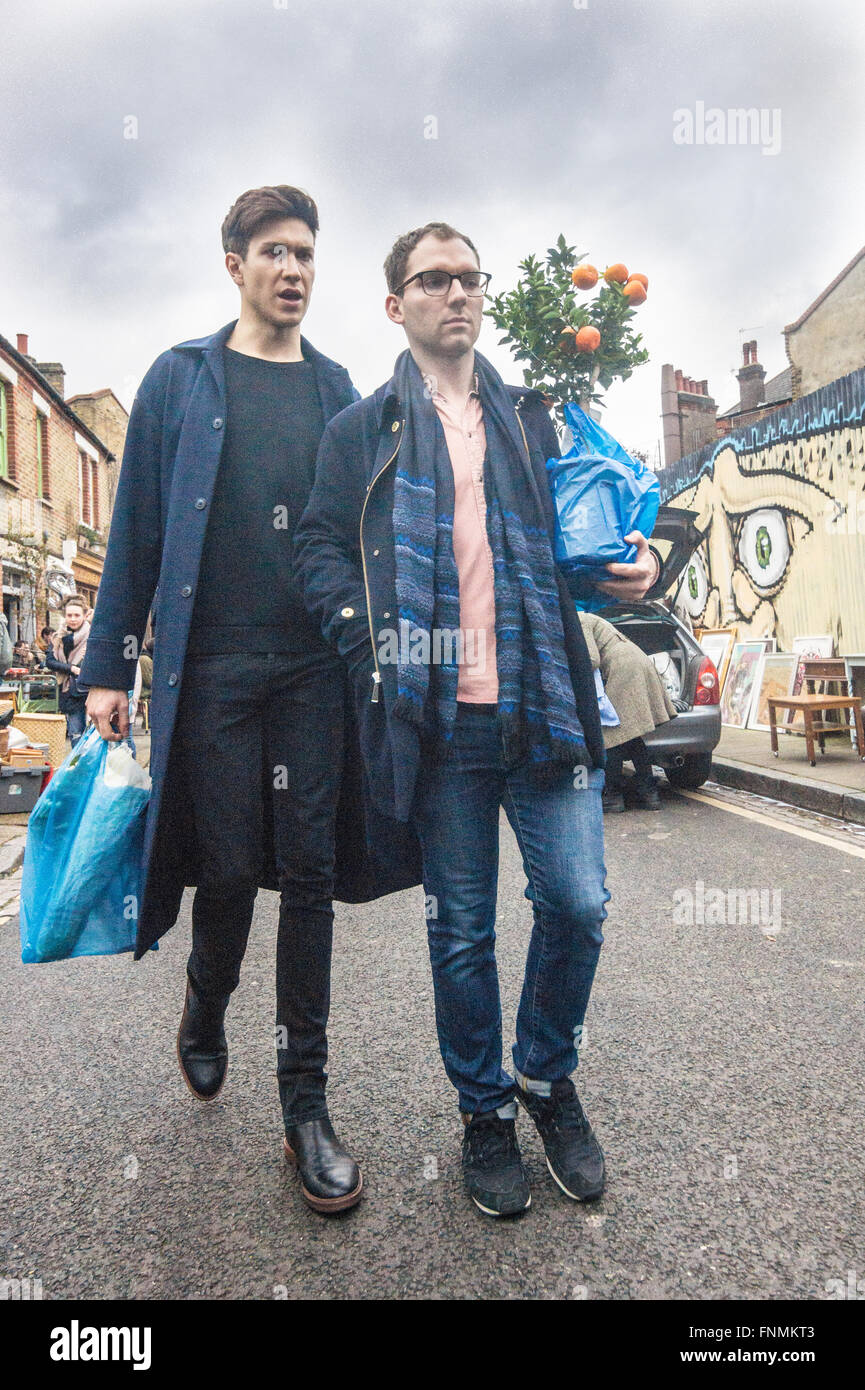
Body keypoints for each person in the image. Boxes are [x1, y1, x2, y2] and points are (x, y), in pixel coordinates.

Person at [294, 222, 661, 1217]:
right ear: (395, 304)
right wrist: (366, 644)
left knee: (578, 903)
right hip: (440, 721)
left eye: (468, 278)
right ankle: (484, 1112)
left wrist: (641, 565)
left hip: (543, 706)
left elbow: (602, 526)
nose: (455, 293)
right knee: (460, 933)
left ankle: (544, 1075)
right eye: (433, 279)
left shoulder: (535, 419)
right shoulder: (360, 432)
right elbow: (320, 549)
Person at [80, 184, 418, 1215]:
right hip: (214, 670)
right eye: (274, 251)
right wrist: (104, 666)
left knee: (306, 876)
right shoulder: (181, 381)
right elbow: (138, 526)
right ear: (234, 265)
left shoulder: (337, 391)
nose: (294, 270)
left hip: (313, 670)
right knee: (226, 866)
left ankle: (304, 1104)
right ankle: (206, 997)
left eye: (307, 253)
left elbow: (370, 530)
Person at [577, 611, 677, 812]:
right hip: (636, 659)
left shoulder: (579, 619)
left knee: (613, 735)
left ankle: (613, 796)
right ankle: (648, 792)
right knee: (631, 735)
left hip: (623, 667)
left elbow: (591, 659)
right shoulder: (590, 618)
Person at [45, 596, 91, 746]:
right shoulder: (58, 637)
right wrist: (71, 668)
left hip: (91, 690)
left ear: (84, 616)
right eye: (69, 615)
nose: (72, 619)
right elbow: (50, 661)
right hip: (69, 691)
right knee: (75, 734)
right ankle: (78, 768)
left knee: (93, 736)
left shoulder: (92, 636)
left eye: (77, 615)